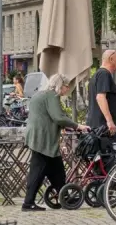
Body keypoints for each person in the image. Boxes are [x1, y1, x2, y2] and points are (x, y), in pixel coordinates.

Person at [22, 74, 86, 211]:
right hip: (43, 139)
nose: (67, 89)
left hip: (39, 137)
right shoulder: (52, 96)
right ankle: (28, 203)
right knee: (37, 172)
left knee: (57, 170)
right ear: (60, 85)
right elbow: (58, 117)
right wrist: (77, 126)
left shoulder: (40, 94)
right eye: (66, 86)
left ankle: (65, 197)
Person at [86, 49, 116, 163]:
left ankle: (104, 181)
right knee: (113, 161)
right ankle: (109, 181)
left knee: (104, 162)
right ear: (111, 59)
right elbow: (100, 97)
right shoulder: (104, 74)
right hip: (104, 128)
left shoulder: (97, 75)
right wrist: (109, 121)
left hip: (99, 126)